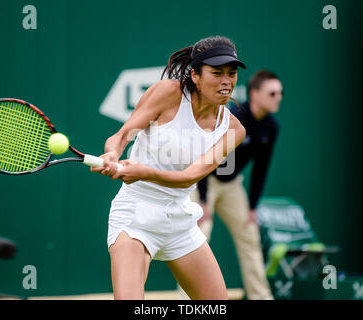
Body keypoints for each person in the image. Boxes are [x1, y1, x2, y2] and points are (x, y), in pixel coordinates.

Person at [90, 36, 247, 300]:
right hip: (135, 215)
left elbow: (189, 178)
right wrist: (112, 153)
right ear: (195, 75)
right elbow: (122, 135)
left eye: (231, 74)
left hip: (180, 220)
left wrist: (143, 172)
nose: (226, 81)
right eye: (217, 73)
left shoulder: (233, 129)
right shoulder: (168, 93)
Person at [186, 70, 282, 300]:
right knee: (196, 239)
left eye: (280, 93)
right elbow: (205, 157)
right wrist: (205, 201)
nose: (278, 97)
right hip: (203, 179)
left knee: (250, 235)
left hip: (231, 185)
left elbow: (261, 168)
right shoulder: (233, 115)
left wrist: (252, 207)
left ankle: (260, 296)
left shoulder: (271, 126)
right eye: (272, 93)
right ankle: (188, 300)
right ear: (254, 93)